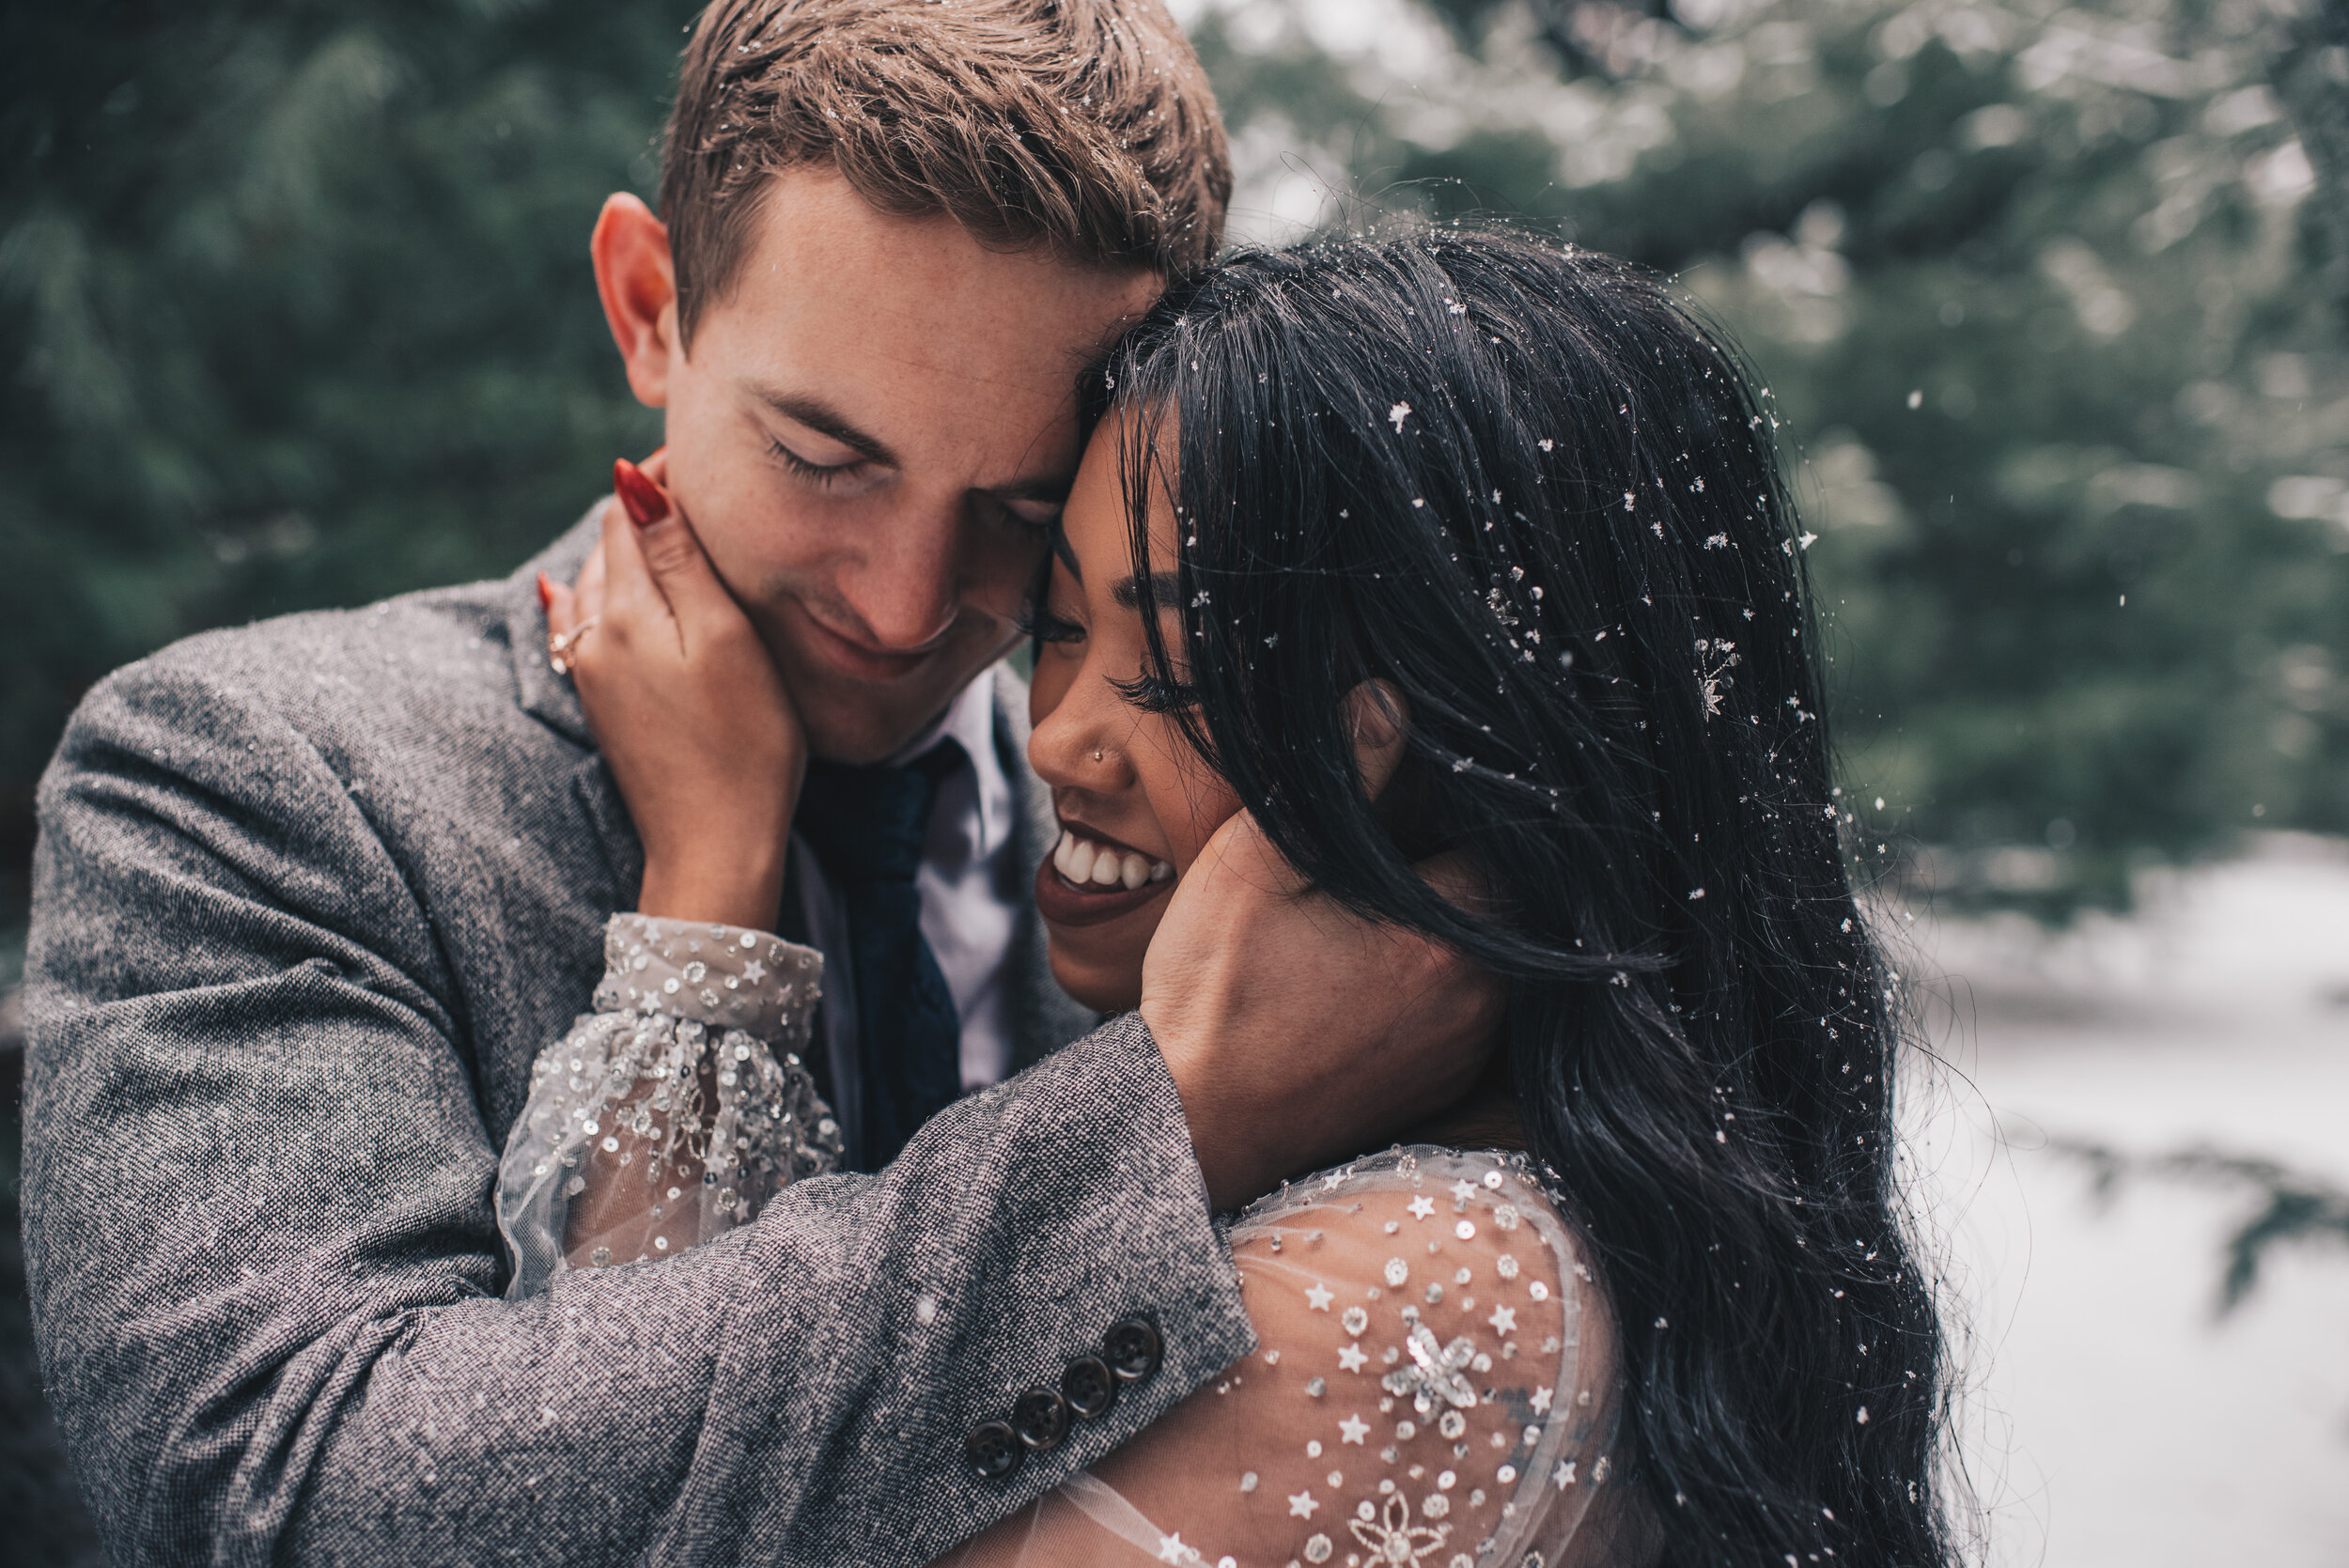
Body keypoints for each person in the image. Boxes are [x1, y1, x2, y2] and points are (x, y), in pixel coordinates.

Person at [17, 4, 1498, 1562]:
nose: (911, 602)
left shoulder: (1183, 834)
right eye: (825, 456)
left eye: (1018, 507)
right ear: (650, 303)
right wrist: (1166, 1125)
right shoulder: (252, 776)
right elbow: (300, 1502)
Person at [542, 230, 1958, 1568]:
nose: (1055, 739)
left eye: (1173, 667)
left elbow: (624, 1520)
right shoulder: (1571, 1211)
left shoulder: (1405, 1300)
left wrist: (713, 896)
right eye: (1064, 627)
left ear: (1476, 742)